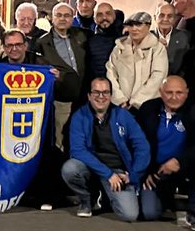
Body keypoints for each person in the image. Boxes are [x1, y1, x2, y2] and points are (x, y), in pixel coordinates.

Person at [60, 77, 149, 222]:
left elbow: (142, 147)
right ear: (89, 96)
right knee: (70, 169)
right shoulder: (79, 116)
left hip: (118, 172)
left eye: (105, 92)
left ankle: (106, 196)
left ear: (111, 96)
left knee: (130, 215)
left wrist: (132, 175)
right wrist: (107, 174)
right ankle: (86, 199)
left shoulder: (123, 115)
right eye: (96, 92)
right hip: (92, 169)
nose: (101, 97)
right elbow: (77, 150)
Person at [137, 75, 195, 231]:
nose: (174, 97)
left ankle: (194, 212)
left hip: (183, 167)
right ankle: (165, 199)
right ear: (160, 92)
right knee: (150, 213)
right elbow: (137, 144)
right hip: (156, 170)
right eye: (169, 92)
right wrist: (146, 172)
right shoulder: (147, 109)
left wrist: (179, 161)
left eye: (179, 93)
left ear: (186, 93)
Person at [35, 3, 89, 150]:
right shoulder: (42, 42)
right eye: (58, 15)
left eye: (67, 15)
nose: (62, 19)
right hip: (60, 99)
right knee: (60, 139)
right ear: (52, 18)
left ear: (72, 18)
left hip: (84, 97)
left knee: (83, 137)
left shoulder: (83, 36)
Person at [107, 11, 168, 111]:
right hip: (121, 106)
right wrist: (120, 100)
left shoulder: (157, 49)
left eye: (138, 24)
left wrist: (137, 102)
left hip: (148, 106)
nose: (134, 28)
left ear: (148, 26)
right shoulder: (118, 48)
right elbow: (111, 74)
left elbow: (158, 77)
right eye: (131, 25)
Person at [85, 2, 126, 85]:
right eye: (99, 15)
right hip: (101, 89)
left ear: (114, 15)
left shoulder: (126, 37)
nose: (104, 17)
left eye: (108, 14)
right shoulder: (89, 41)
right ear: (94, 18)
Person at [154, 1, 190, 77]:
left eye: (170, 16)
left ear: (174, 19)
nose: (165, 19)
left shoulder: (184, 37)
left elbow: (186, 65)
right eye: (161, 15)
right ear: (155, 18)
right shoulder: (146, 37)